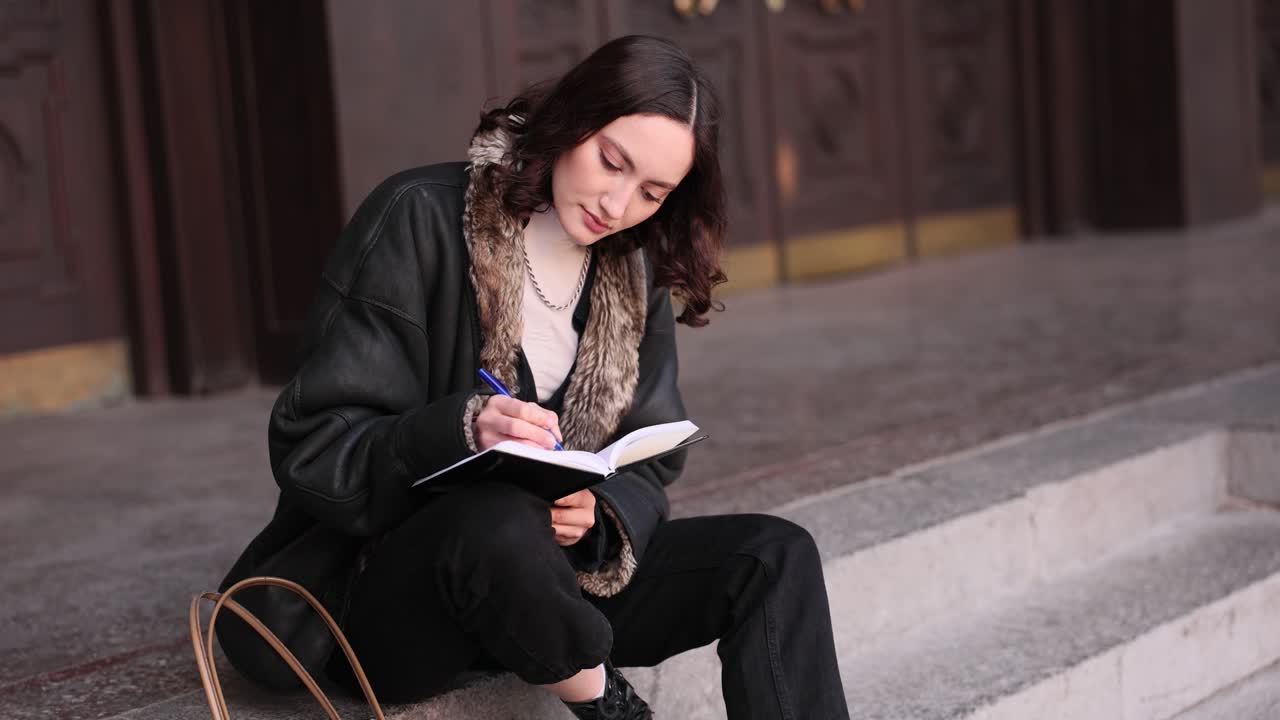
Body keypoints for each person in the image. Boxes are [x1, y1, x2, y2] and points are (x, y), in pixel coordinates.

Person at [216, 34, 850, 720]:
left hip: (553, 587)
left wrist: (600, 517)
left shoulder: (628, 268)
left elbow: (650, 457)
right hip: (395, 600)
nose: (618, 204)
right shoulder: (417, 217)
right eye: (612, 162)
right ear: (573, 118)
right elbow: (314, 447)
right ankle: (609, 704)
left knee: (773, 555)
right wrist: (459, 430)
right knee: (498, 517)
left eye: (652, 191)